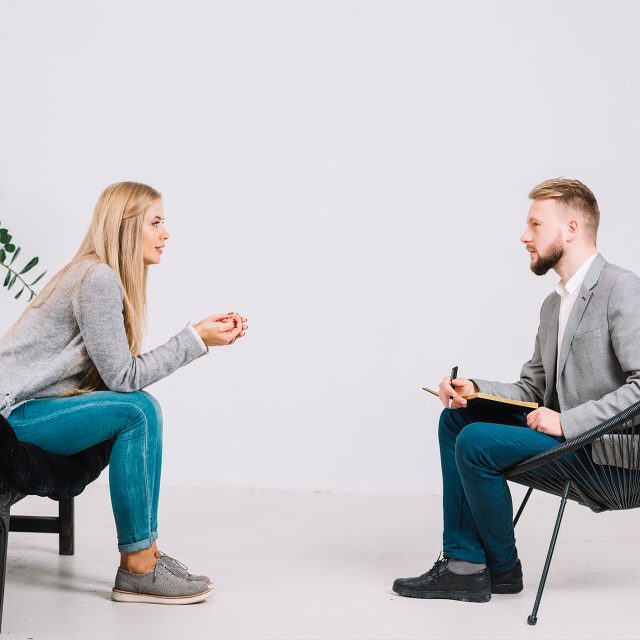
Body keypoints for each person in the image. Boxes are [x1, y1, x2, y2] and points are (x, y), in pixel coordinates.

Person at [392, 178, 640, 603]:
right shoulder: (553, 305)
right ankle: (466, 566)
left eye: (535, 225)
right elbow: (532, 388)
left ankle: (502, 568)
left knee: (477, 442)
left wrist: (567, 422)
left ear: (571, 229)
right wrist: (475, 389)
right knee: (458, 419)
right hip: (570, 444)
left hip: (611, 456)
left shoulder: (622, 288)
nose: (524, 236)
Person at [0, 181, 248, 605]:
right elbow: (123, 378)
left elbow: (112, 377)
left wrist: (199, 337)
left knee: (139, 409)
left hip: (34, 411)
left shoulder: (98, 275)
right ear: (125, 226)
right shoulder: (97, 278)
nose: (165, 233)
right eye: (155, 222)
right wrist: (195, 339)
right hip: (14, 416)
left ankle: (146, 555)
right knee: (139, 410)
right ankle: (139, 566)